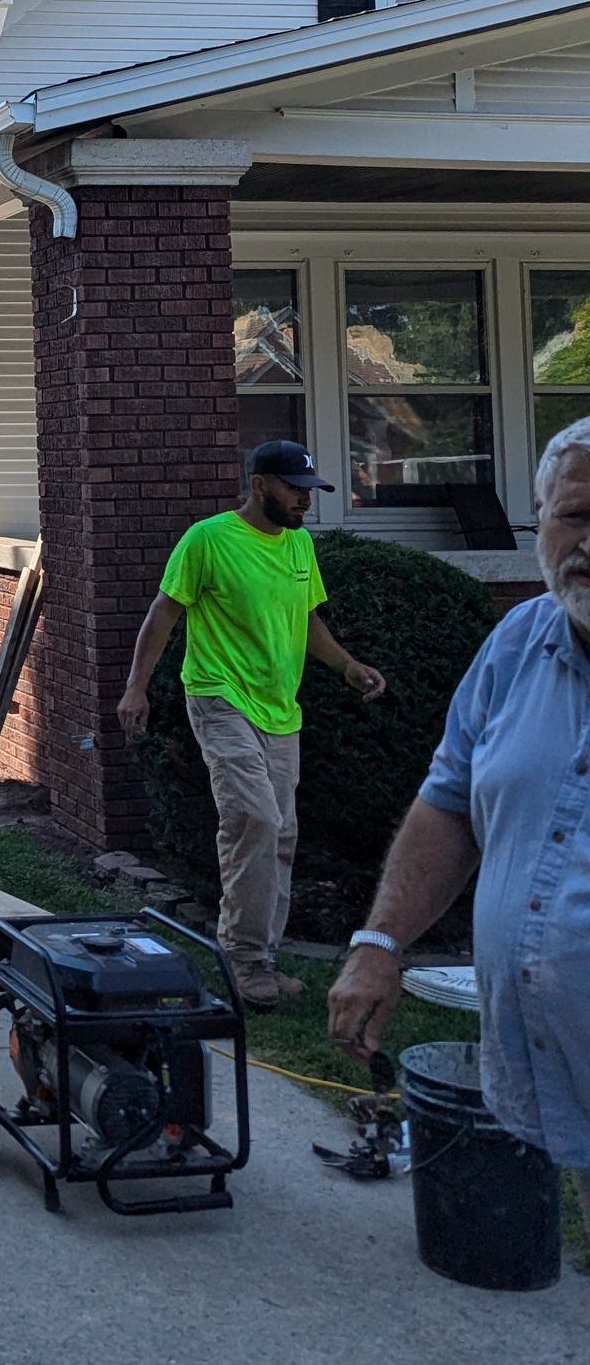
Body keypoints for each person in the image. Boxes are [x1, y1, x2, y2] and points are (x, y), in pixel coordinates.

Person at [328, 416, 590, 1184]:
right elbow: (449, 807)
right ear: (538, 523)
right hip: (554, 1072)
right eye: (577, 515)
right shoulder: (515, 645)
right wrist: (379, 946)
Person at [117, 439, 386, 1011]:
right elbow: (164, 612)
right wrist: (137, 686)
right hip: (219, 696)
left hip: (279, 708)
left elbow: (306, 620)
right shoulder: (208, 539)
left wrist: (347, 667)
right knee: (254, 819)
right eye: (293, 489)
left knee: (280, 834)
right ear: (260, 484)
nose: (302, 502)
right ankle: (242, 960)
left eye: (308, 492)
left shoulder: (299, 546)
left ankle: (263, 955)